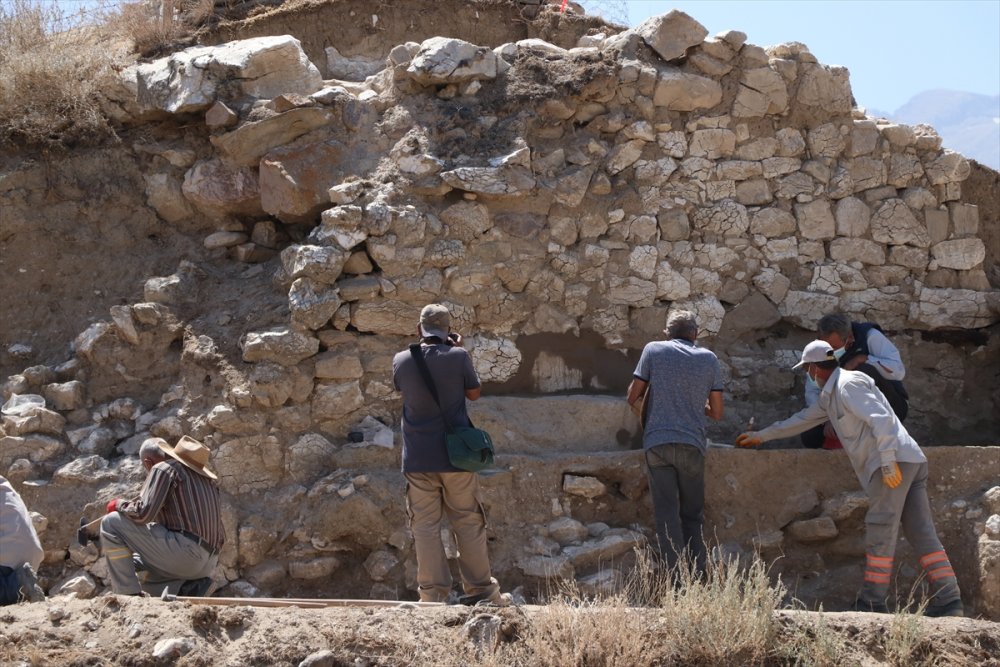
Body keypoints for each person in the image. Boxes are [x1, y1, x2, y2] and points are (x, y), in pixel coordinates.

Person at [736, 340, 962, 617]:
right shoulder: (832, 395)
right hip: (909, 460)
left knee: (880, 529)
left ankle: (872, 602)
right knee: (921, 532)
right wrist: (763, 434)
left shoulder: (847, 385)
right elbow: (803, 419)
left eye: (807, 369)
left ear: (815, 368)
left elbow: (881, 420)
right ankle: (950, 602)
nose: (808, 375)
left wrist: (888, 460)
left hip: (891, 462)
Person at [391, 303, 506, 605]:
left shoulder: (402, 360)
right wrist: (458, 351)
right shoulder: (458, 357)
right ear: (446, 331)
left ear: (419, 330)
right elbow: (474, 393)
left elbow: (401, 388)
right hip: (457, 458)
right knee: (467, 521)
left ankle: (432, 596)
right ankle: (481, 591)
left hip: (418, 457)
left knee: (425, 526)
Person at [626, 310, 724, 576]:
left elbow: (632, 395)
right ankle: (699, 576)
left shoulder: (653, 350)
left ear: (666, 334)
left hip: (657, 443)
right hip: (692, 445)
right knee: (692, 515)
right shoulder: (710, 358)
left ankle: (675, 581)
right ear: (695, 334)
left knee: (667, 516)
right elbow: (716, 412)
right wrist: (693, 404)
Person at [100, 436, 224, 597]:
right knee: (135, 564)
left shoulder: (164, 468)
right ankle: (186, 587)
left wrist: (118, 505)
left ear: (148, 462)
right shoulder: (207, 482)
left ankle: (127, 594)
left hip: (185, 555)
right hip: (208, 564)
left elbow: (143, 515)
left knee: (110, 523)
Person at [801, 313, 908, 450]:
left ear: (849, 338)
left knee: (864, 371)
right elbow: (813, 390)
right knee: (809, 433)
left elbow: (898, 371)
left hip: (888, 407)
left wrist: (864, 359)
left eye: (833, 348)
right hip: (844, 415)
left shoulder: (870, 337)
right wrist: (828, 417)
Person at [0, 476, 45, 604]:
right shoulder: (4, 485)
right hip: (31, 557)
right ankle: (20, 584)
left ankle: (17, 585)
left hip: (9, 558)